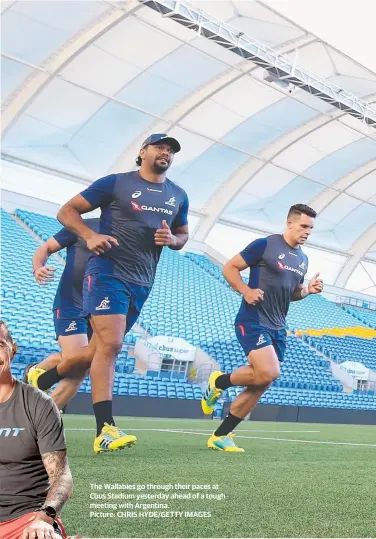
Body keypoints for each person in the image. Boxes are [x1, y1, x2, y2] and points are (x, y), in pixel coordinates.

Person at [31, 133, 189, 454]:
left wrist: (171, 239)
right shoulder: (116, 184)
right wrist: (89, 236)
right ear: (143, 151)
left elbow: (183, 235)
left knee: (101, 348)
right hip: (107, 273)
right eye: (160, 146)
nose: (166, 153)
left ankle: (43, 380)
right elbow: (67, 211)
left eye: (171, 150)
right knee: (113, 345)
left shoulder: (178, 195)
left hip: (143, 281)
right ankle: (105, 429)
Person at [201, 204, 323, 452]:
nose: (307, 232)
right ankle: (220, 381)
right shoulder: (265, 245)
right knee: (270, 372)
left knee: (261, 383)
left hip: (278, 326)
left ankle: (220, 435)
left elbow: (292, 294)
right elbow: (229, 267)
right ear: (289, 223)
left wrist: (307, 290)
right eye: (303, 226)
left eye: (310, 228)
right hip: (253, 320)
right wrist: (245, 290)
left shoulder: (303, 260)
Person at [0, 320, 73, 539]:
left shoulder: (38, 404)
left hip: (25, 519)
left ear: (13, 349)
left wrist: (44, 518)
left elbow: (61, 476)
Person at [27, 219, 100, 410]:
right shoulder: (82, 226)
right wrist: (38, 267)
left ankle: (43, 421)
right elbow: (46, 248)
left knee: (83, 366)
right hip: (71, 303)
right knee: (78, 360)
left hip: (100, 308)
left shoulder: (131, 233)